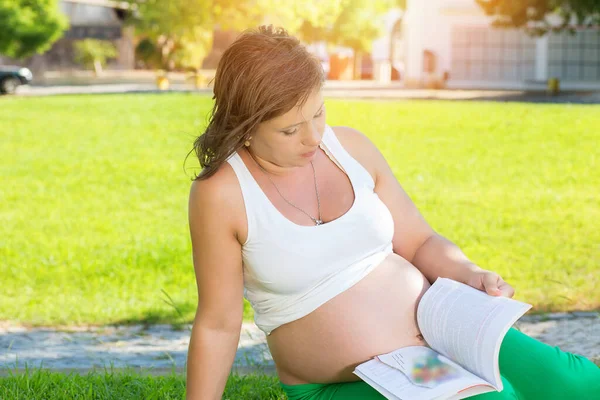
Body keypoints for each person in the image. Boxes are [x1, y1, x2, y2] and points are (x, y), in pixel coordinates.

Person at [184, 25, 600, 400]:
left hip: (446, 331)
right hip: (375, 371)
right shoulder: (222, 194)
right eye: (290, 130)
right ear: (244, 126)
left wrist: (470, 273)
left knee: (578, 383)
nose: (313, 138)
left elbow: (419, 240)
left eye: (318, 113)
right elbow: (218, 324)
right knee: (496, 399)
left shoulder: (351, 148)